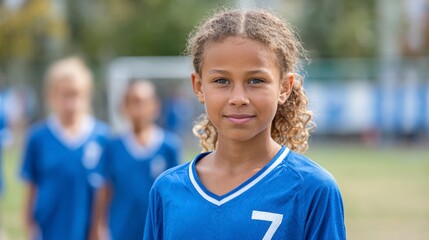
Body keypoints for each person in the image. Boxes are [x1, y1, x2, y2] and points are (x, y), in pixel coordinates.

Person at [144, 9, 346, 240]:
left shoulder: (313, 189)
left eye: (255, 80)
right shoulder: (168, 189)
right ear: (199, 86)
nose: (238, 98)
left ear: (284, 87)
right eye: (221, 80)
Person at [20, 56, 110, 240]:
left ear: (87, 95)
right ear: (51, 95)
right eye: (65, 94)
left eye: (76, 94)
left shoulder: (103, 138)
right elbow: (31, 191)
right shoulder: (38, 138)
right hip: (49, 232)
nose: (71, 103)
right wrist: (30, 227)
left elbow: (108, 193)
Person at [91, 80, 181, 240]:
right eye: (132, 102)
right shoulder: (112, 147)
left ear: (155, 106)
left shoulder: (169, 146)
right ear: (124, 108)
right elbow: (104, 190)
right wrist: (98, 227)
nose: (138, 108)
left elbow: (176, 194)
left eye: (143, 102)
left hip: (158, 231)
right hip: (121, 231)